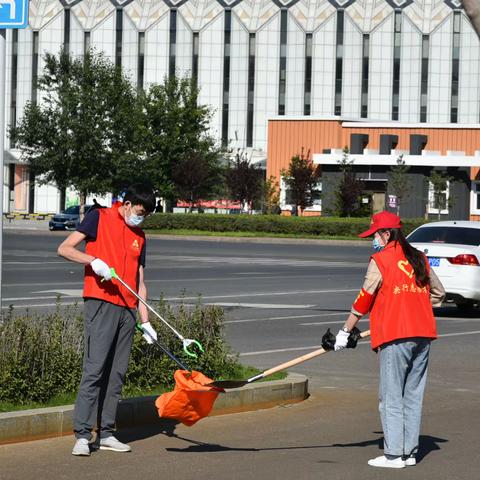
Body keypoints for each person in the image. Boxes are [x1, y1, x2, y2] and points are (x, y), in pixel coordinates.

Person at [324, 210, 445, 469]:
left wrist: (345, 331)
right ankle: (409, 452)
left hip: (396, 335)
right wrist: (413, 305)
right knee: (412, 395)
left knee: (390, 396)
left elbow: (364, 299)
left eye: (375, 234)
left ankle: (393, 456)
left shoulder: (381, 260)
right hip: (422, 335)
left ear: (387, 234)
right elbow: (438, 294)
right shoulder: (419, 259)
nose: (373, 239)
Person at [58, 184, 158, 457]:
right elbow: (65, 248)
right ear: (126, 204)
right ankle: (82, 434)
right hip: (101, 302)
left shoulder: (140, 235)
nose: (141, 217)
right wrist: (93, 261)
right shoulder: (98, 217)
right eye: (139, 212)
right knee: (95, 369)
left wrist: (146, 320)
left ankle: (106, 433)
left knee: (116, 374)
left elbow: (140, 281)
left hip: (127, 308)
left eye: (146, 215)